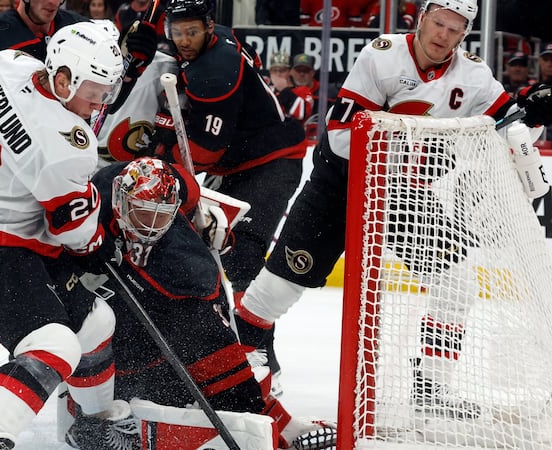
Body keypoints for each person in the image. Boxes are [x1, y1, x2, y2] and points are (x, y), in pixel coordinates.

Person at [235, 0, 552, 420]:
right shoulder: (382, 56)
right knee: (278, 287)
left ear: (465, 34)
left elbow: (508, 125)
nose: (443, 35)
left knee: (455, 281)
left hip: (403, 196)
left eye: (455, 29)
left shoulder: (473, 75)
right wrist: (419, 144)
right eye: (438, 23)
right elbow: (343, 136)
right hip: (340, 185)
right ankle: (237, 369)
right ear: (422, 18)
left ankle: (432, 385)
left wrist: (532, 111)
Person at [0, 21, 127, 449]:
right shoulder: (68, 144)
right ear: (64, 79)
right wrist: (99, 247)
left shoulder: (10, 64)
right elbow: (74, 232)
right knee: (55, 344)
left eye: (107, 90)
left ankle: (93, 427)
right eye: (94, 90)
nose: (100, 102)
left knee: (95, 322)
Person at [59, 157, 338, 450]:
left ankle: (264, 415)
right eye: (142, 213)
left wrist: (196, 217)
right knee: (91, 322)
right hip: (100, 331)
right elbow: (185, 183)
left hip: (152, 333)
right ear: (121, 200)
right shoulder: (102, 189)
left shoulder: (186, 263)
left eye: (161, 216)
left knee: (204, 338)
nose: (150, 226)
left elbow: (206, 326)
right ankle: (93, 424)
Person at [154, 0, 306, 312]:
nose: (184, 40)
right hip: (236, 162)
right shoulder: (221, 36)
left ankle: (252, 336)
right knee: (201, 242)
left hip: (272, 161)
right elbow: (253, 57)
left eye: (192, 32)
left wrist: (161, 155)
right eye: (177, 32)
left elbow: (204, 153)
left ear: (209, 27)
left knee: (241, 251)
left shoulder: (214, 74)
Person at [266, 51, 313, 124]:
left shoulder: (302, 90)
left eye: (282, 71)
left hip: (293, 130)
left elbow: (302, 114)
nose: (278, 74)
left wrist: (284, 90)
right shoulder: (266, 91)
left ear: (290, 72)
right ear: (270, 72)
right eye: (274, 70)